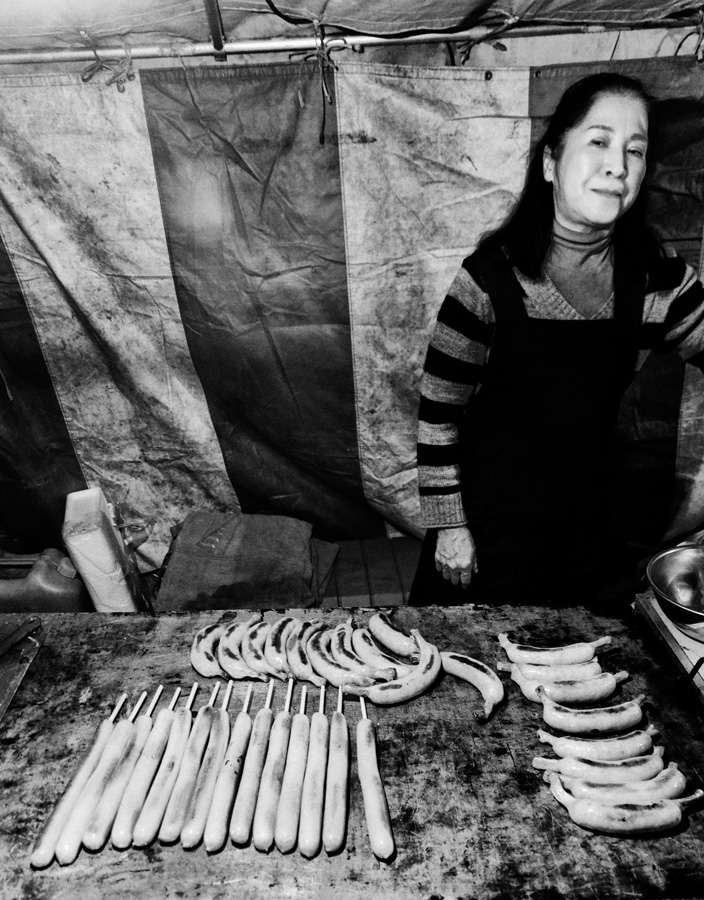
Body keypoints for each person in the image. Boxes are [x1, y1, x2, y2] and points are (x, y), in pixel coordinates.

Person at [410, 72, 704, 607]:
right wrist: (451, 526)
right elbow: (437, 416)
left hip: (584, 531)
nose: (618, 165)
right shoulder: (486, 282)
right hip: (486, 533)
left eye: (634, 151)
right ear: (550, 162)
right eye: (599, 141)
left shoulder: (656, 280)